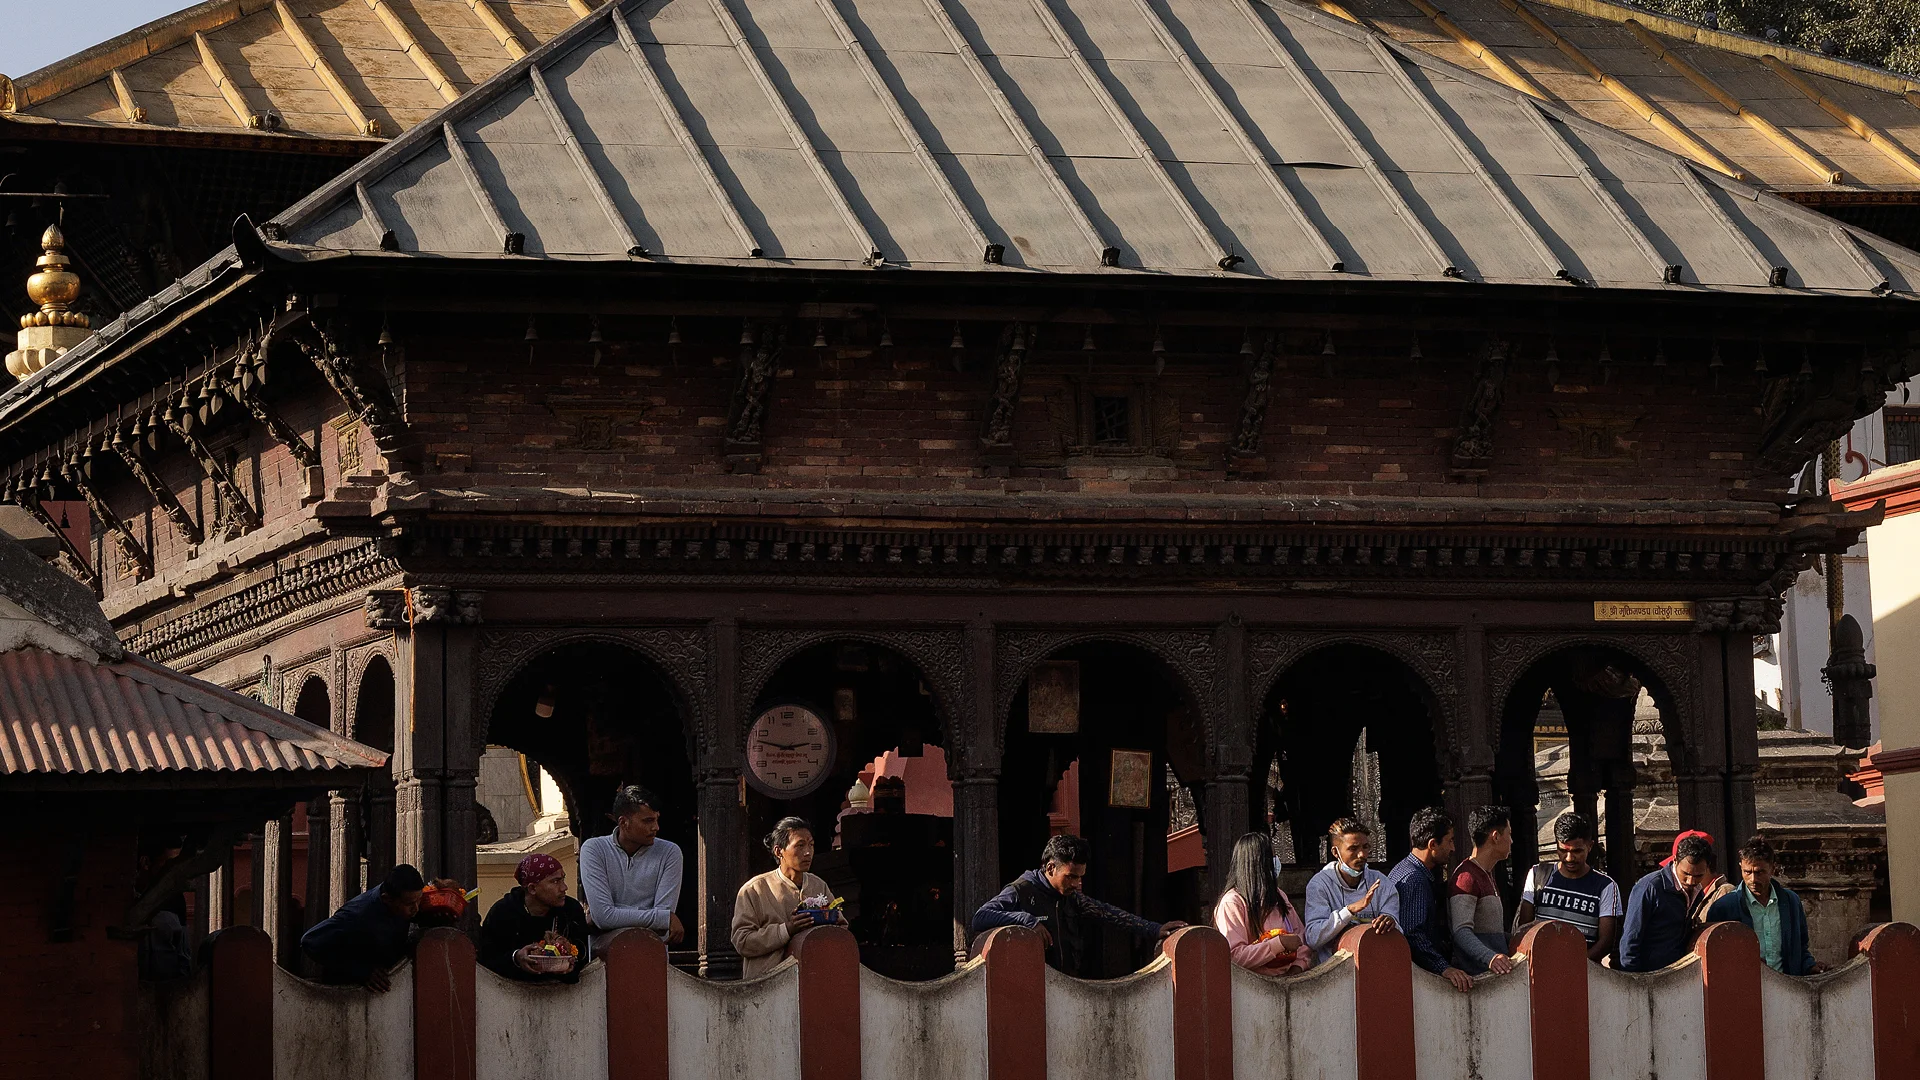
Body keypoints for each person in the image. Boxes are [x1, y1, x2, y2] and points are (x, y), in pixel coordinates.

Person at [971, 834, 1189, 977]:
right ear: (1050, 868)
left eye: (1079, 878)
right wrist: (1027, 920)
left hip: (1067, 982)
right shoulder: (1022, 890)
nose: (1076, 884)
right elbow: (981, 917)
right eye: (1070, 877)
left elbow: (1108, 913)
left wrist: (1154, 929)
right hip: (1029, 986)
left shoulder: (1071, 897)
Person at [579, 786, 685, 950]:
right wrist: (662, 917)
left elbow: (663, 918)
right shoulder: (594, 849)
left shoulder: (669, 853)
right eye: (648, 821)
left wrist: (613, 914)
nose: (656, 827)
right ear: (623, 822)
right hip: (606, 959)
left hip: (651, 954)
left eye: (657, 819)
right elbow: (604, 916)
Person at [732, 816, 837, 979]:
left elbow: (841, 927)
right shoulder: (755, 889)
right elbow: (742, 941)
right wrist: (786, 930)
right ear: (778, 851)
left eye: (811, 845)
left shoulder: (818, 885)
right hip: (768, 983)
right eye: (800, 845)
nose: (808, 852)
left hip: (813, 981)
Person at [1705, 836, 1822, 976]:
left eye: (1760, 872)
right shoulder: (1724, 908)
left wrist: (1809, 966)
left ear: (1773, 869)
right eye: (1747, 872)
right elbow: (1715, 954)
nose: (1753, 880)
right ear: (1741, 867)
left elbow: (1801, 947)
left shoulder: (1791, 902)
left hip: (1788, 987)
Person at [1514, 812, 1622, 963]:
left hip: (1584, 973)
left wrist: (1573, 966)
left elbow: (1606, 942)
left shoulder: (1606, 886)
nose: (1569, 858)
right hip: (1540, 968)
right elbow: (1524, 930)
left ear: (1590, 846)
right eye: (1563, 851)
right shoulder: (1537, 875)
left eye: (1577, 851)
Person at [1386, 807, 1474, 992]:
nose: (1453, 848)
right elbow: (1413, 933)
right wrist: (1444, 967)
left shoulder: (1406, 870)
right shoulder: (1414, 879)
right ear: (1432, 844)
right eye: (1449, 841)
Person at [300, 863, 426, 991]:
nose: (416, 908)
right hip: (348, 992)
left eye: (419, 900)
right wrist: (360, 970)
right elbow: (310, 941)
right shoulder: (357, 915)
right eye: (409, 904)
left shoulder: (402, 901)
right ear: (387, 899)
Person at [479, 853, 592, 982]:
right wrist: (516, 958)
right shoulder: (503, 913)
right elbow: (487, 960)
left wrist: (571, 961)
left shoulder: (571, 909)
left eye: (562, 879)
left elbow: (584, 952)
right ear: (532, 888)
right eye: (555, 881)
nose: (564, 887)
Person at [1213, 832, 1311, 976]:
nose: (1276, 862)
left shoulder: (1278, 895)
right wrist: (1278, 944)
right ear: (1257, 863)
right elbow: (1234, 956)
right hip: (1252, 987)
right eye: (1271, 858)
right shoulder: (1232, 903)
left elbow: (1301, 941)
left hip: (1290, 982)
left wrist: (1296, 969)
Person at [1620, 832, 1715, 972]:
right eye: (1686, 874)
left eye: (1698, 876)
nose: (1691, 881)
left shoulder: (1697, 891)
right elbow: (1631, 938)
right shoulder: (1650, 887)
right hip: (1648, 975)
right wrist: (1635, 980)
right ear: (1675, 860)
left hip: (1676, 974)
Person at [1302, 818, 1398, 954]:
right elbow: (1313, 938)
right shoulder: (1319, 885)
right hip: (1335, 970)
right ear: (1335, 853)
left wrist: (1390, 922)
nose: (1362, 855)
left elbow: (1398, 932)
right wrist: (1350, 910)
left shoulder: (1381, 882)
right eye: (1353, 848)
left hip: (1375, 965)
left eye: (1365, 847)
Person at [1448, 806, 1516, 977]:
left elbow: (1492, 934)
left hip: (1495, 977)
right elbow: (1461, 931)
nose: (1512, 841)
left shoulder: (1486, 874)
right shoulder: (1466, 877)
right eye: (1509, 834)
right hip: (1479, 980)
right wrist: (1491, 958)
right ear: (1495, 836)